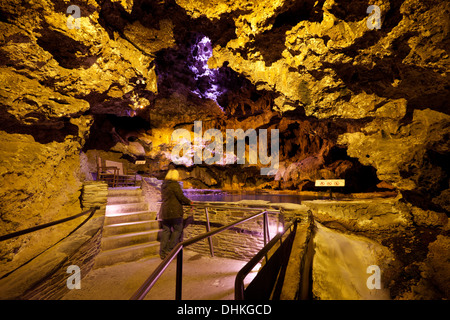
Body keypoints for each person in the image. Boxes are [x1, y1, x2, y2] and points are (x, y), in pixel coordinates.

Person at [158, 169, 192, 259]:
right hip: (174, 212)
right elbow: (180, 196)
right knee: (178, 230)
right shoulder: (175, 185)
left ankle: (163, 252)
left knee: (166, 231)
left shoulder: (163, 185)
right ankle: (169, 250)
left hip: (165, 211)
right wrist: (189, 202)